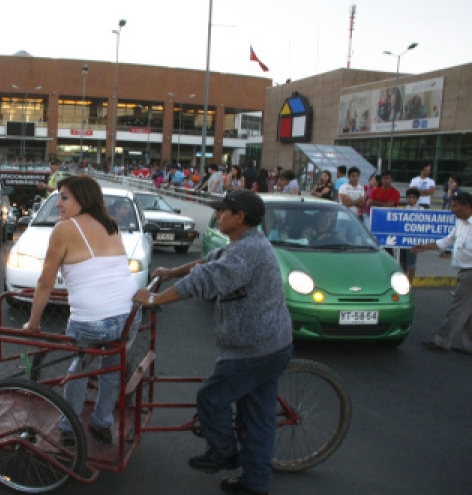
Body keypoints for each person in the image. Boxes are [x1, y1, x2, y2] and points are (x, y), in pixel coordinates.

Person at [133, 190, 292, 495]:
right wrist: (170, 272)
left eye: (222, 212)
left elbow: (204, 280)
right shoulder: (244, 244)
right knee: (257, 419)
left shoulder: (247, 252)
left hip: (254, 351)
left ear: (240, 217)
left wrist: (155, 299)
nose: (218, 216)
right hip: (271, 344)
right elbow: (208, 262)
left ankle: (224, 452)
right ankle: (255, 485)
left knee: (211, 397)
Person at [23, 175, 141, 445]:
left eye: (64, 198)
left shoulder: (64, 230)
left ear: (83, 199)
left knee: (79, 369)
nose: (58, 205)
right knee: (112, 369)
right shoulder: (111, 224)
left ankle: (69, 426)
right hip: (129, 315)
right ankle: (102, 422)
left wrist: (33, 323)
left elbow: (45, 282)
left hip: (92, 322)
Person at [411, 192, 472, 353]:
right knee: (467, 311)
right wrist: (425, 246)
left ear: (467, 207)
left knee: (458, 308)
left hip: (470, 272)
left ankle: (442, 341)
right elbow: (447, 241)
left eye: (455, 206)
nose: (453, 209)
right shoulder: (460, 222)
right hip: (464, 270)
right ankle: (469, 344)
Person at [400, 188, 422, 285]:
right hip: (404, 241)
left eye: (414, 198)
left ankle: (410, 283)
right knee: (403, 263)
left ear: (417, 199)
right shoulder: (405, 209)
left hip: (413, 241)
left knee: (411, 264)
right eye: (409, 197)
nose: (411, 200)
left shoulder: (421, 210)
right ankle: (404, 282)